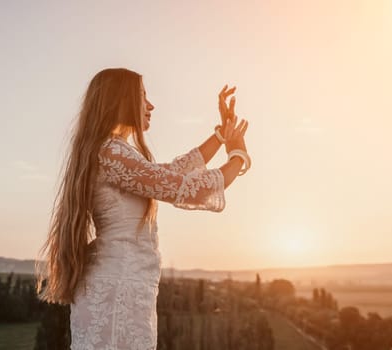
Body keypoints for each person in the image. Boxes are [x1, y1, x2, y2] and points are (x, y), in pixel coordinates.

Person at [36, 68, 251, 349]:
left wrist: (221, 136)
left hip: (125, 284)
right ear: (120, 100)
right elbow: (182, 188)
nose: (150, 106)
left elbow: (170, 173)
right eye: (142, 97)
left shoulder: (112, 151)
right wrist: (238, 154)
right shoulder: (111, 151)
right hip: (118, 287)